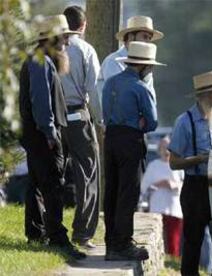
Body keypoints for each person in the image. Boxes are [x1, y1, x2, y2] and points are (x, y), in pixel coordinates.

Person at [19, 14, 85, 259]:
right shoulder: (41, 63)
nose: (67, 43)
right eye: (65, 38)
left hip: (36, 134)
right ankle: (58, 239)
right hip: (42, 134)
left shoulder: (40, 61)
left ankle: (36, 232)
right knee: (53, 186)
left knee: (37, 184)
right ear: (54, 39)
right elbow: (41, 102)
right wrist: (50, 132)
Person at [102, 41, 165, 261]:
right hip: (130, 140)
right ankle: (122, 244)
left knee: (112, 190)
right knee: (128, 193)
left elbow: (105, 112)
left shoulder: (110, 83)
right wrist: (139, 122)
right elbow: (152, 122)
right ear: (144, 66)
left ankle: (111, 242)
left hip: (110, 138)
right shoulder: (141, 87)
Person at [169, 70, 212, 275]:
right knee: (193, 241)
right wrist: (199, 159)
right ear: (204, 95)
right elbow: (174, 162)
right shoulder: (185, 121)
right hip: (195, 187)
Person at [60, 5, 101, 249]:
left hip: (55, 117)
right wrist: (100, 119)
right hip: (78, 115)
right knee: (88, 173)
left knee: (53, 173)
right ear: (83, 26)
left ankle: (48, 226)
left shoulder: (50, 49)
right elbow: (94, 89)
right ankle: (83, 232)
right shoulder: (85, 49)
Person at [98, 15, 164, 103]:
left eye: (149, 38)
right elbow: (123, 99)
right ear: (130, 37)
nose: (148, 42)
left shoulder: (145, 66)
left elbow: (152, 101)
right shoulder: (113, 61)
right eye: (144, 37)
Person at [140, 136, 184, 257]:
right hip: (157, 209)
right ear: (159, 149)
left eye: (168, 149)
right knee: (157, 239)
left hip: (174, 210)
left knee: (173, 242)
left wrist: (174, 185)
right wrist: (158, 184)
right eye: (163, 148)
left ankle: (172, 266)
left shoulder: (179, 166)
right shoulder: (154, 165)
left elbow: (185, 186)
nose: (166, 151)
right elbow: (144, 188)